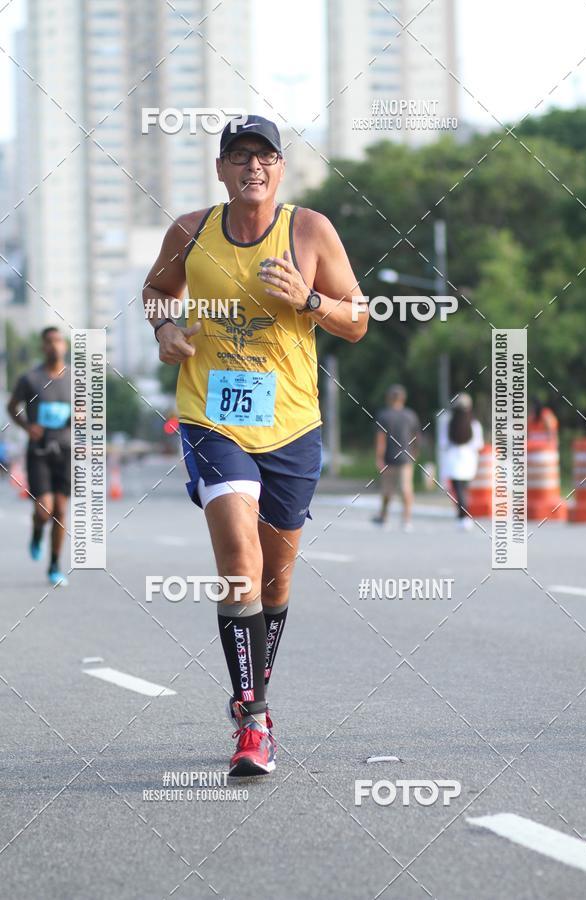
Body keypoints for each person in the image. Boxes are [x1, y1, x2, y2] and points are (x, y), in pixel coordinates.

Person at [142, 114, 368, 776]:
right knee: (238, 559)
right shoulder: (190, 232)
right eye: (238, 157)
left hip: (294, 424)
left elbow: (357, 318)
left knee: (274, 580)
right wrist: (164, 331)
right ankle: (252, 718)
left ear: (280, 167)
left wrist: (310, 301)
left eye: (264, 156)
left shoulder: (310, 232)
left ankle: (254, 695)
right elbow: (157, 291)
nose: (252, 167)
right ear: (220, 170)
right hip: (213, 418)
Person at [7, 327, 71, 585]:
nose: (54, 346)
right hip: (39, 452)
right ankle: (36, 531)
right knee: (45, 510)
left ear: (65, 346)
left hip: (66, 451)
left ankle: (54, 565)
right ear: (42, 347)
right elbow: (11, 407)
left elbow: (84, 411)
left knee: (61, 511)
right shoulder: (30, 379)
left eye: (58, 341)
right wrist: (26, 427)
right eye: (49, 342)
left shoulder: (75, 379)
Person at [373, 384, 420, 531]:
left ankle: (384, 517)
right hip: (406, 458)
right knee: (406, 488)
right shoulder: (410, 415)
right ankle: (407, 520)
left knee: (387, 490)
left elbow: (381, 439)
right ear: (403, 399)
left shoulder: (384, 415)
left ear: (389, 398)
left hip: (389, 458)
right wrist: (415, 453)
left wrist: (379, 458)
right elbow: (416, 436)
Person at [440, 393, 483, 530]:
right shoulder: (474, 423)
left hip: (453, 458)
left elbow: (443, 443)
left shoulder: (448, 422)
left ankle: (462, 516)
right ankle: (464, 516)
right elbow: (478, 444)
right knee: (464, 490)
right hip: (469, 458)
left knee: (458, 490)